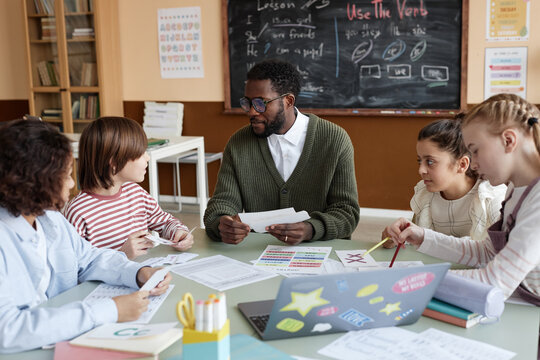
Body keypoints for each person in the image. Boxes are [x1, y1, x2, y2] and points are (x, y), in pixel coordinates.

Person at [0, 119, 172, 353]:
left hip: (65, 338)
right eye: (67, 175)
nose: (72, 184)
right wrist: (110, 311)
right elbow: (8, 330)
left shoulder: (51, 220)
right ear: (36, 181)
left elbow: (89, 258)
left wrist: (138, 273)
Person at [384, 94, 540, 303]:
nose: (473, 165)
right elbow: (487, 253)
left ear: (508, 141)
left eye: (475, 151)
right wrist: (423, 236)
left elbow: (495, 281)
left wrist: (415, 280)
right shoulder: (516, 189)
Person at [204, 59, 360, 245]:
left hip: (320, 250)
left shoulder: (334, 140)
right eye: (248, 103)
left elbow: (347, 212)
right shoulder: (238, 143)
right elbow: (222, 203)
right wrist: (222, 223)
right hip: (257, 252)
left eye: (261, 103)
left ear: (288, 101)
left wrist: (310, 229)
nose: (252, 112)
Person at [63, 117, 193, 260]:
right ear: (113, 161)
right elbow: (75, 267)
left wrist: (178, 233)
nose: (147, 157)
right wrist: (121, 255)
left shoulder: (136, 193)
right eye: (140, 153)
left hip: (143, 275)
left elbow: (164, 221)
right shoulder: (78, 212)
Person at [383, 118, 505, 248]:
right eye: (420, 161)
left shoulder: (492, 197)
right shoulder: (425, 194)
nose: (421, 170)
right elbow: (415, 239)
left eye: (430, 162)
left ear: (462, 164)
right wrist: (394, 238)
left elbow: (500, 251)